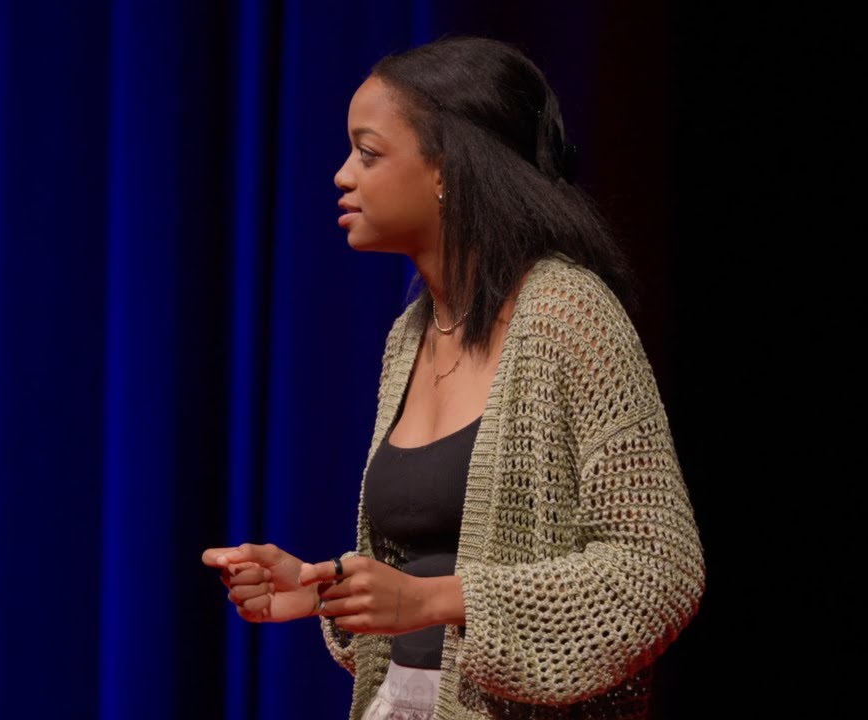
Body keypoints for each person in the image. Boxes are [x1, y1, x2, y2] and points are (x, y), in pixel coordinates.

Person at [202, 35, 704, 719]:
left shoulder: (568, 315)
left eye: (369, 152)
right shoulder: (409, 335)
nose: (342, 174)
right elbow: (425, 571)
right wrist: (326, 592)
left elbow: (660, 573)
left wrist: (436, 600)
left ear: (448, 171)